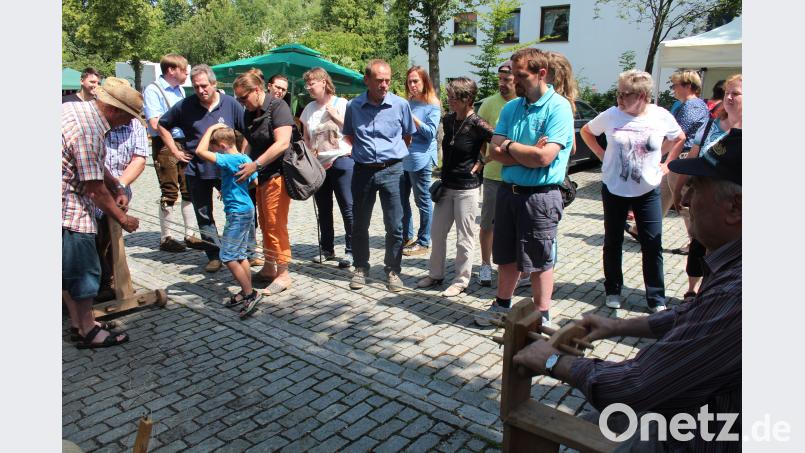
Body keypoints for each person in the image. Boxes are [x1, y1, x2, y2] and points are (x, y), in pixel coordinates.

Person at [513, 129, 742, 451]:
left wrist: (552, 362)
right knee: (603, 420)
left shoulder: (738, 293)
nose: (685, 199)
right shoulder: (734, 267)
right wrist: (618, 325)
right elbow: (695, 315)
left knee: (619, 427)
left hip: (721, 434)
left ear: (736, 208)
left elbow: (638, 384)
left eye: (696, 188)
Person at [474, 48, 575, 328]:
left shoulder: (559, 108)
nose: (513, 81)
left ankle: (541, 316)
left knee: (540, 260)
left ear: (542, 74)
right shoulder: (511, 108)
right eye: (513, 75)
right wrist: (523, 151)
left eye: (521, 76)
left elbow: (544, 158)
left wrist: (509, 147)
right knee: (505, 255)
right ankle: (502, 306)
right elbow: (494, 152)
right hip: (509, 192)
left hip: (541, 197)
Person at [579, 69, 685, 312]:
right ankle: (613, 289)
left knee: (652, 243)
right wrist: (601, 155)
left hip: (647, 189)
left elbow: (679, 137)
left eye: (625, 94)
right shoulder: (612, 115)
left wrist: (666, 163)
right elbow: (587, 131)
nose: (619, 98)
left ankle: (656, 298)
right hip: (614, 188)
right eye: (619, 92)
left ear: (643, 95)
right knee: (613, 241)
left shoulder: (660, 116)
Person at [62, 77, 141, 348]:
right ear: (115, 110)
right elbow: (94, 189)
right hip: (69, 208)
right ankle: (87, 331)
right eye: (129, 116)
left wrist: (116, 184)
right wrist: (123, 219)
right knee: (84, 271)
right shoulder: (89, 132)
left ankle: (79, 323)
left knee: (68, 272)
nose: (130, 123)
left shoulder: (75, 109)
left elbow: (93, 165)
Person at [158, 64, 247, 273]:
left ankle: (244, 253)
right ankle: (214, 255)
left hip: (227, 171)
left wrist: (241, 158)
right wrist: (175, 151)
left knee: (239, 210)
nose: (200, 90)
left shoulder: (231, 104)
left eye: (204, 86)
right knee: (204, 214)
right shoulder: (185, 106)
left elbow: (245, 132)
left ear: (214, 84)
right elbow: (162, 124)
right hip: (198, 171)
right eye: (196, 86)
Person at [342, 59, 417, 292]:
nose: (384, 85)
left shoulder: (401, 105)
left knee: (395, 225)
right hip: (363, 171)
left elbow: (407, 137)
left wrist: (389, 156)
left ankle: (393, 270)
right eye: (379, 80)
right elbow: (350, 137)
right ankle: (361, 267)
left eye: (387, 80)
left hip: (393, 170)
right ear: (367, 80)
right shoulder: (353, 107)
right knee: (359, 223)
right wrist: (368, 156)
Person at [417, 78, 492, 297]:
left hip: (467, 189)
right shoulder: (448, 121)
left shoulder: (478, 124)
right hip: (446, 186)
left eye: (452, 97)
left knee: (464, 237)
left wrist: (484, 160)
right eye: (448, 96)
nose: (448, 101)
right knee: (437, 232)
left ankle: (461, 280)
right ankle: (435, 274)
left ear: (467, 98)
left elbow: (500, 141)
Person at [672, 74, 742, 301]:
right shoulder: (713, 124)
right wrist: (679, 189)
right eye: (726, 93)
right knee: (700, 248)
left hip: (724, 213)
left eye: (736, 94)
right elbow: (694, 159)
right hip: (713, 206)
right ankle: (696, 291)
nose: (728, 98)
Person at [232, 69, 296, 296]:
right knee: (266, 223)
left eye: (243, 97)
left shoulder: (278, 107)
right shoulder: (250, 112)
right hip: (261, 176)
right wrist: (240, 163)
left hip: (278, 175)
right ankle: (269, 267)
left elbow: (282, 143)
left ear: (257, 90)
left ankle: (283, 273)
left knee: (276, 223)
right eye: (238, 98)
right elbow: (248, 142)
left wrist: (255, 165)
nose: (241, 103)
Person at [195, 124, 263, 318]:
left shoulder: (228, 159)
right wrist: (230, 187)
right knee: (240, 254)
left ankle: (250, 294)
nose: (212, 150)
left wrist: (211, 128)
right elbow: (255, 182)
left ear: (223, 145)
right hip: (247, 208)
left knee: (228, 256)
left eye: (214, 146)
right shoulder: (245, 158)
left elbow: (200, 151)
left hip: (237, 212)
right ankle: (245, 290)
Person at [143, 53, 204, 253]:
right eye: (184, 69)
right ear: (171, 70)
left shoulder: (180, 91)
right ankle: (166, 237)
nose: (187, 73)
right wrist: (173, 146)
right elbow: (155, 123)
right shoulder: (153, 90)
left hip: (183, 141)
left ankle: (189, 234)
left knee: (188, 188)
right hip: (164, 144)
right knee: (169, 191)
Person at [94, 96, 149, 302]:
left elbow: (139, 158)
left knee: (109, 239)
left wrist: (120, 186)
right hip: (94, 190)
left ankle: (110, 282)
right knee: (92, 240)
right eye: (128, 115)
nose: (130, 120)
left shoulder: (134, 127)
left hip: (120, 191)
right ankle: (94, 288)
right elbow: (95, 163)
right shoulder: (95, 125)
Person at [300, 67, 354, 268]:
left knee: (348, 207)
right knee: (323, 209)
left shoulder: (342, 104)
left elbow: (353, 131)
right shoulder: (308, 109)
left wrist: (336, 116)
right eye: (307, 84)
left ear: (323, 81)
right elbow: (306, 138)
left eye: (311, 83)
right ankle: (327, 248)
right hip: (318, 165)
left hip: (342, 160)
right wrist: (307, 155)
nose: (309, 87)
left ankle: (351, 251)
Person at [477, 61, 517, 287]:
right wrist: (485, 158)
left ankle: (513, 267)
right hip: (493, 176)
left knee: (514, 227)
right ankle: (485, 265)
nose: (502, 84)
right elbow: (479, 137)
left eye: (507, 80)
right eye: (500, 80)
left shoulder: (524, 104)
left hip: (518, 176)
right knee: (488, 224)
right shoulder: (489, 104)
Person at [401, 66, 441, 256]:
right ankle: (406, 236)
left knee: (422, 201)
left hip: (421, 158)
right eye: (409, 81)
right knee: (401, 200)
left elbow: (430, 133)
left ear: (424, 82)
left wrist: (413, 118)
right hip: (403, 156)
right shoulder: (408, 101)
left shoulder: (432, 104)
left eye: (416, 81)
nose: (412, 85)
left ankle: (424, 241)